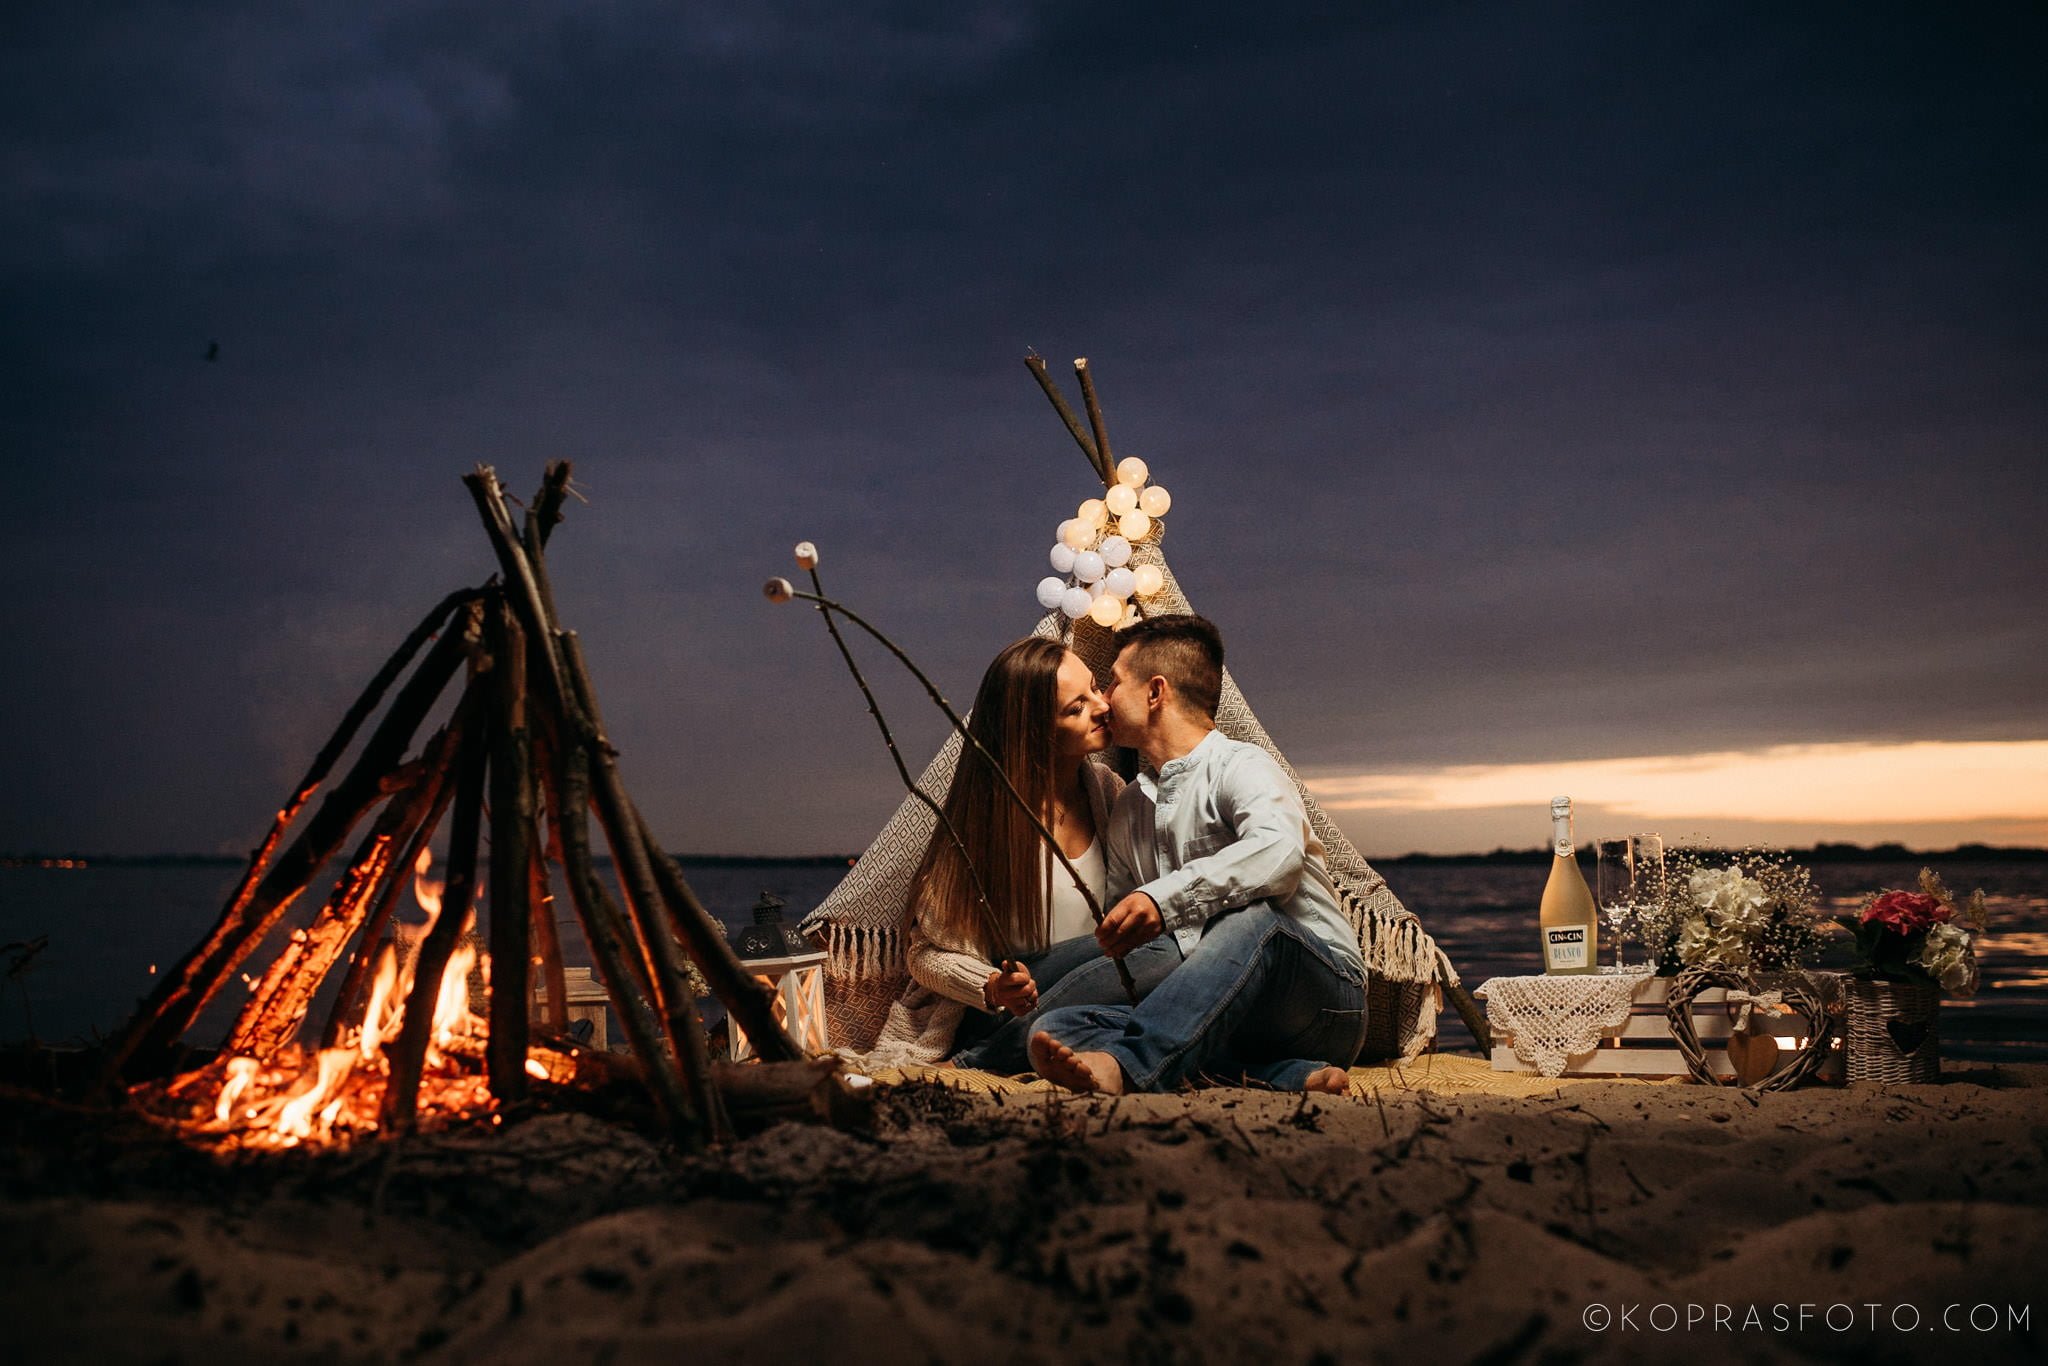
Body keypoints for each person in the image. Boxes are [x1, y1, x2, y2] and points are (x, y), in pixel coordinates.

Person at [1028, 615, 1365, 1095]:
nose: (1103, 699)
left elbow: (1279, 853)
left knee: (1251, 920)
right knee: (1061, 1025)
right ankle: (1280, 1075)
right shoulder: (1128, 809)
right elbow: (1135, 943)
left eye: (1114, 683)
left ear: (1154, 692)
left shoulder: (1242, 766)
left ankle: (1129, 1068)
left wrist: (1163, 901)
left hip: (1322, 1002)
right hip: (1223, 1018)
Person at [862, 637, 1180, 1071]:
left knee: (1166, 970)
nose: (1101, 706)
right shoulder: (984, 820)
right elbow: (923, 955)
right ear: (1033, 733)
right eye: (1075, 708)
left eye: (1094, 688)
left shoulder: (1108, 792)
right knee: (1165, 953)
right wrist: (991, 985)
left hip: (1092, 992)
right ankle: (979, 1061)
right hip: (1004, 1007)